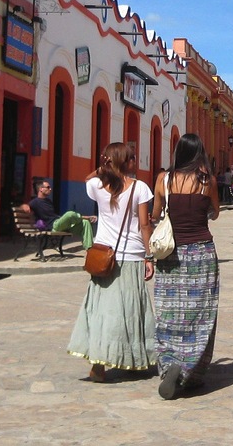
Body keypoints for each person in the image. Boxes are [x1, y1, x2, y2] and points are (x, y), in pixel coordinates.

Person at [67, 143, 156, 383]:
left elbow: (88, 177)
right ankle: (129, 358)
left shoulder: (97, 185)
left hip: (104, 254)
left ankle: (99, 362)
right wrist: (150, 256)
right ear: (124, 162)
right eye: (131, 158)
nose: (135, 162)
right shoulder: (140, 188)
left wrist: (103, 168)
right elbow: (145, 225)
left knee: (101, 311)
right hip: (131, 255)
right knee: (128, 310)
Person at [151, 133, 221, 400]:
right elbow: (215, 211)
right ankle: (191, 369)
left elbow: (156, 214)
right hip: (201, 253)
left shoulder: (163, 180)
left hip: (171, 256)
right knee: (201, 312)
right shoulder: (208, 182)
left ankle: (170, 362)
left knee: (169, 311)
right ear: (199, 153)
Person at [27, 179, 95, 249]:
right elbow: (26, 206)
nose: (50, 189)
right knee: (70, 214)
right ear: (41, 189)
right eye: (48, 187)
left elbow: (53, 215)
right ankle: (84, 217)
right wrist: (24, 207)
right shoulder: (35, 202)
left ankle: (89, 249)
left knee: (85, 223)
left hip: (61, 224)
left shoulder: (48, 201)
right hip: (54, 226)